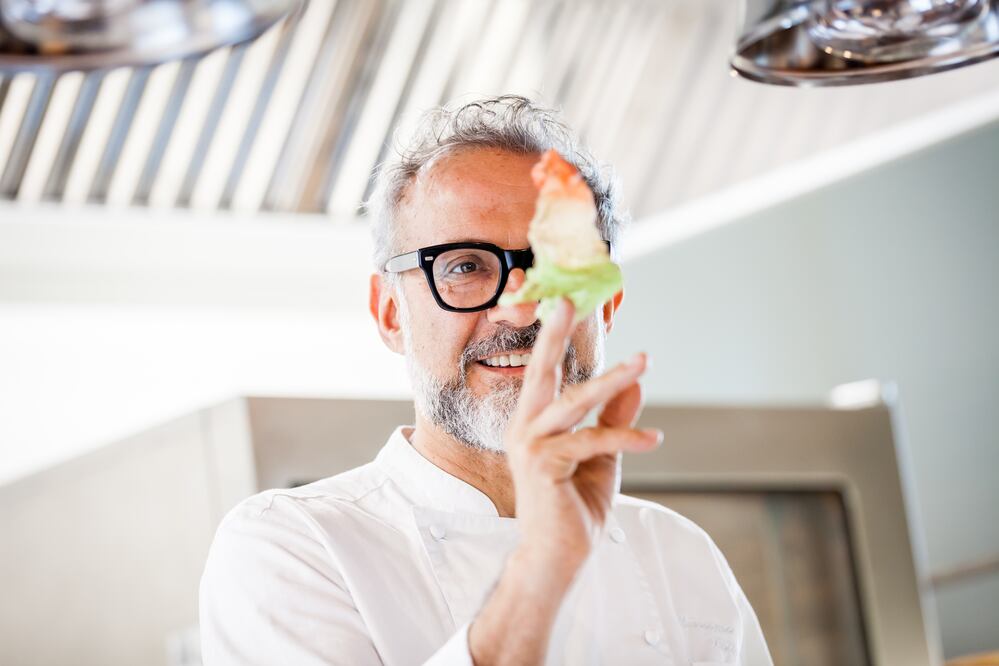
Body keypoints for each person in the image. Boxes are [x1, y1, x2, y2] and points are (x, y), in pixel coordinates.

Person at [199, 95, 773, 665]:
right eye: (465, 267)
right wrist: (541, 568)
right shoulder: (290, 547)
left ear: (608, 303)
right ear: (390, 312)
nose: (520, 310)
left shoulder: (682, 556)